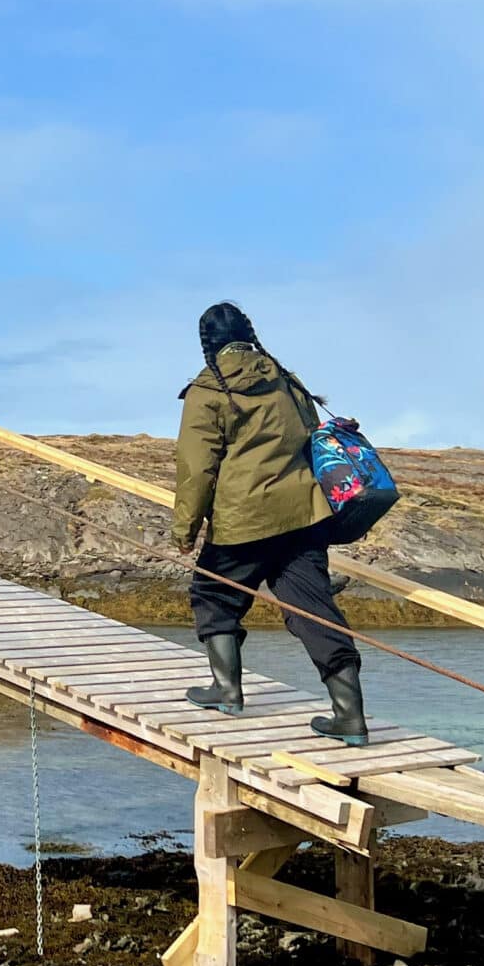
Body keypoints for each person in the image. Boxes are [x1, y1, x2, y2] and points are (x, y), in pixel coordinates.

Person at [169, 301, 367, 744]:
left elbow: (197, 468)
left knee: (213, 594)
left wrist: (185, 528)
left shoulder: (209, 390)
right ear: (248, 334)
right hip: (303, 518)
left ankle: (226, 691)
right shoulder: (286, 380)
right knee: (316, 611)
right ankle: (350, 717)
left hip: (244, 521)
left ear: (207, 343)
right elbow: (315, 443)